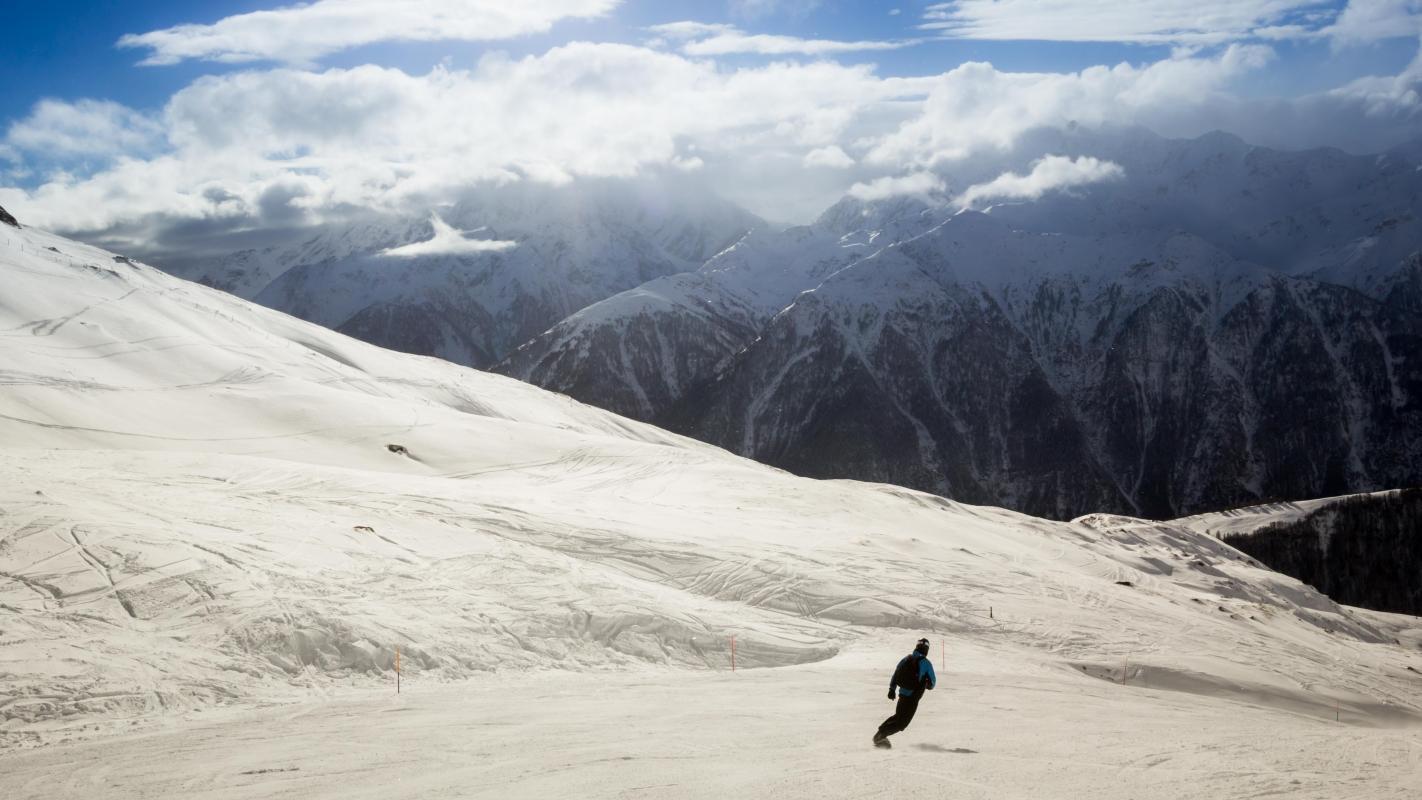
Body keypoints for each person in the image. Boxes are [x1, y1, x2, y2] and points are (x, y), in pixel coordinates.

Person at [873, 637, 936, 748]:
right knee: (902, 723)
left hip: (902, 694)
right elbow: (932, 683)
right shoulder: (926, 663)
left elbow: (896, 674)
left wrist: (892, 689)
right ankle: (881, 736)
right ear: (926, 650)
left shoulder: (907, 659)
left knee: (898, 716)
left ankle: (879, 734)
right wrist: (926, 683)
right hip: (913, 697)